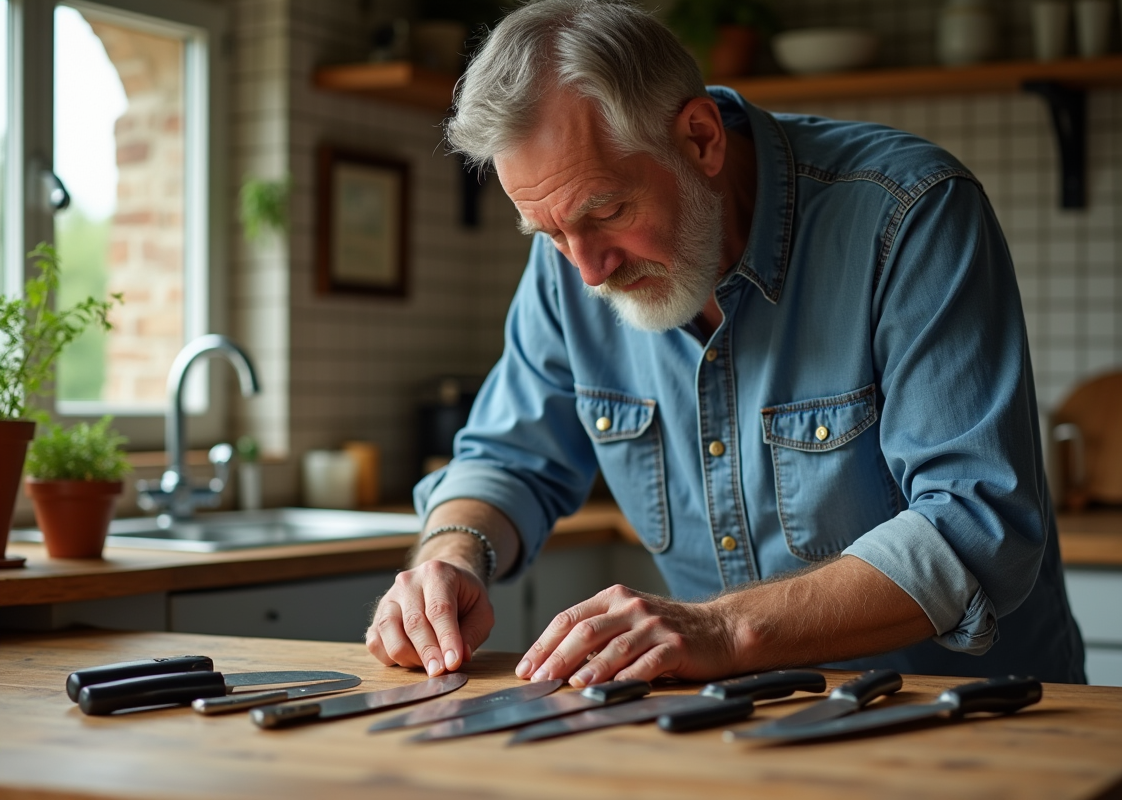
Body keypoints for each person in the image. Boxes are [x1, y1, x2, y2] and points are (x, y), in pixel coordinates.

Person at [365, 0, 1085, 687]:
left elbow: (974, 525)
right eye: (549, 233)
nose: (587, 269)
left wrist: (726, 631)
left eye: (608, 210)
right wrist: (455, 556)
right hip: (740, 729)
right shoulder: (573, 258)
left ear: (701, 137)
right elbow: (508, 459)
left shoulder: (909, 215)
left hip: (975, 725)